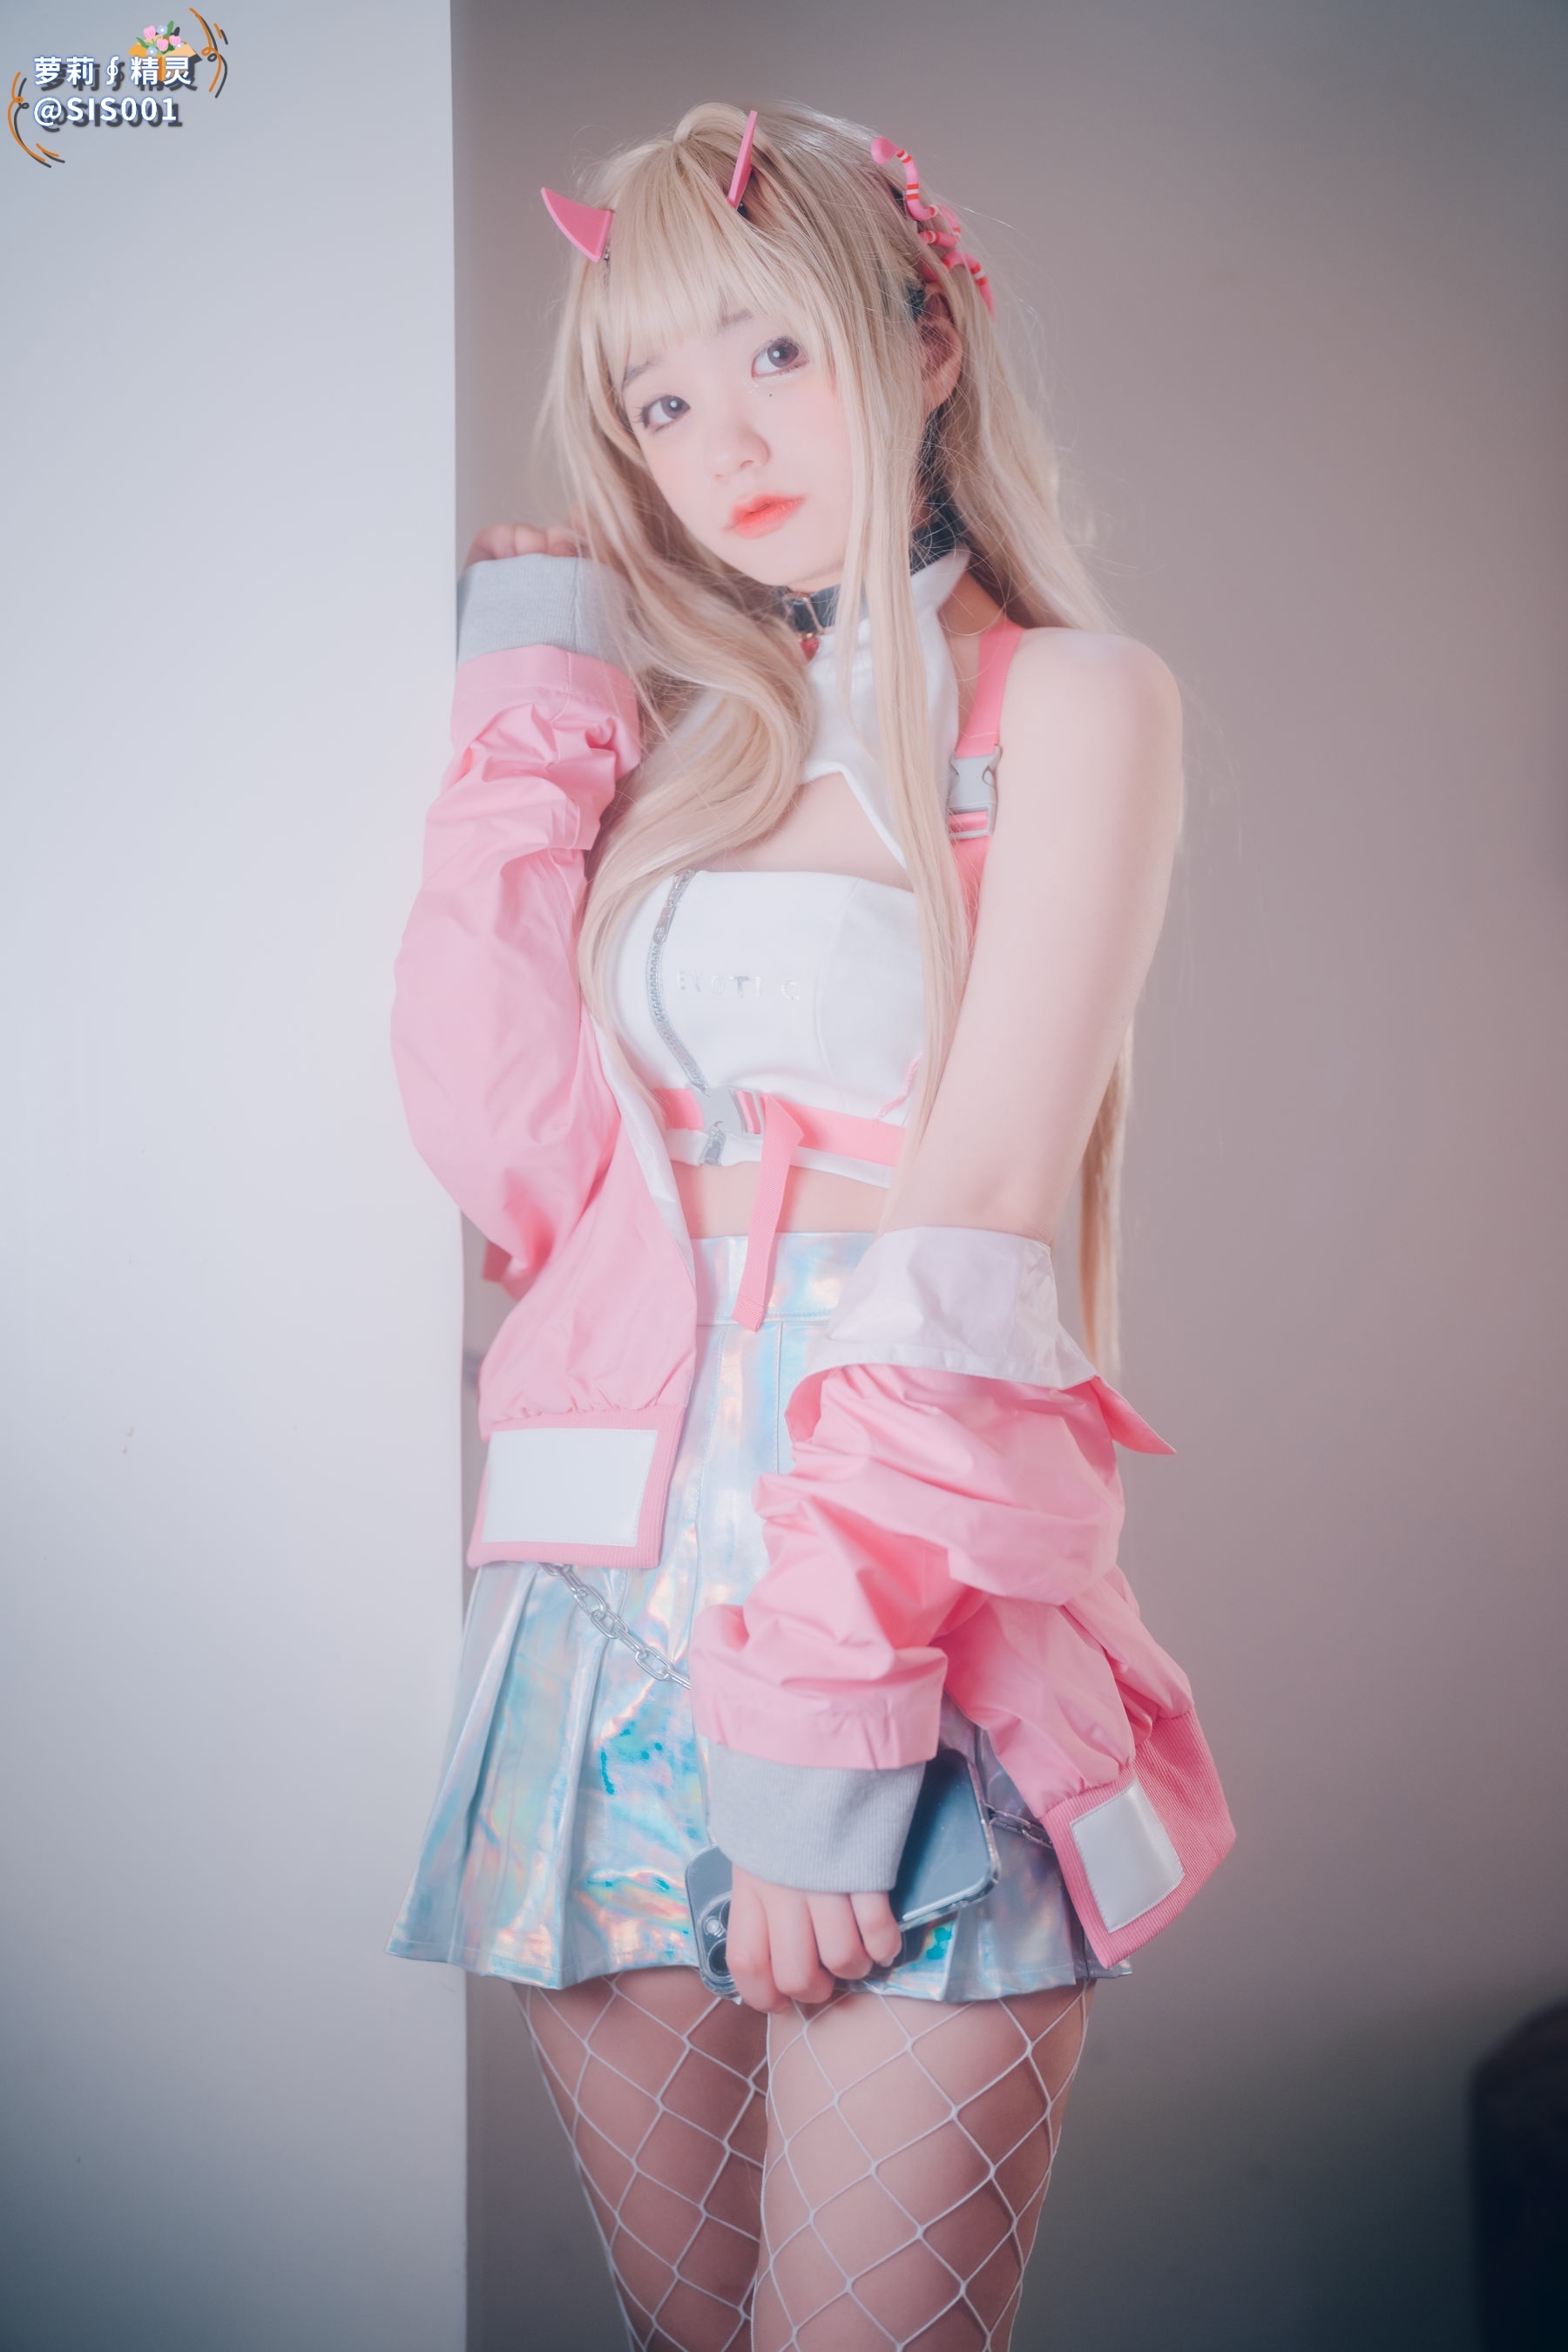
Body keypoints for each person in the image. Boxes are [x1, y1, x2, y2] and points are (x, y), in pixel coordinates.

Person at [388, 99, 1234, 2352]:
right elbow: (511, 1152)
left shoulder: (1074, 704)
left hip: (900, 1616)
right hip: (596, 1615)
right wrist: (534, 695)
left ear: (925, 337)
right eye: (659, 400)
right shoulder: (685, 743)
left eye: (772, 353)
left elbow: (979, 1208)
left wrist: (823, 1724)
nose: (721, 442)